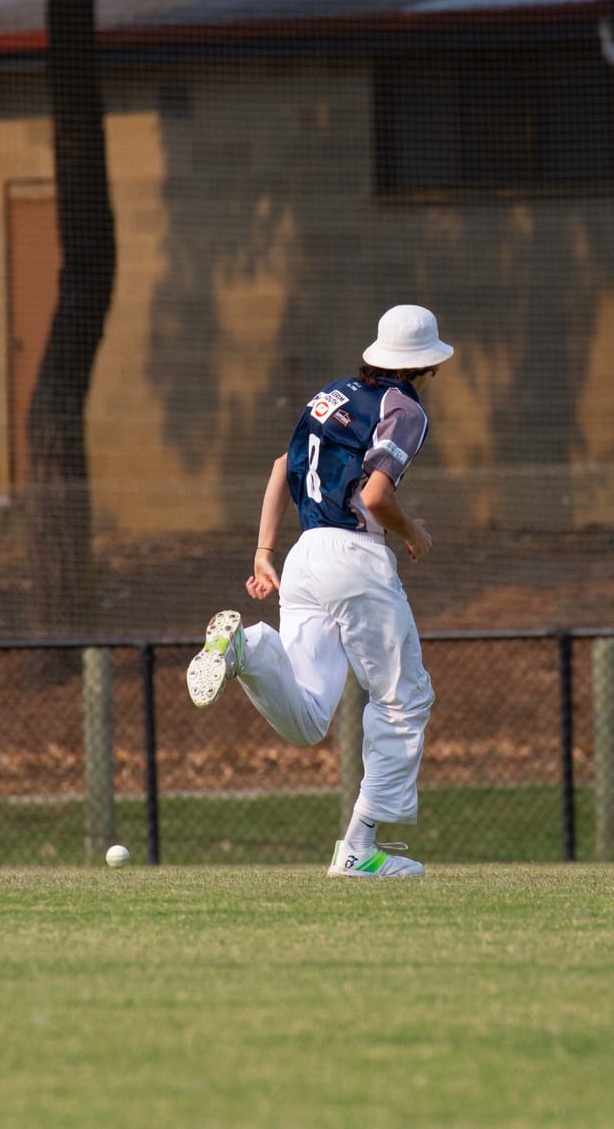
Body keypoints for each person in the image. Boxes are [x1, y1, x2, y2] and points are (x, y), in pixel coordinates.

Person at [187, 303, 452, 878]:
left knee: (308, 719)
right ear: (426, 366)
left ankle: (246, 650)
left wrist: (263, 552)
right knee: (404, 699)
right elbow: (378, 497)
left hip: (305, 556)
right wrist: (413, 532)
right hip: (355, 558)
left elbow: (284, 465)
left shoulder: (330, 394)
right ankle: (359, 850)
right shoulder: (405, 411)